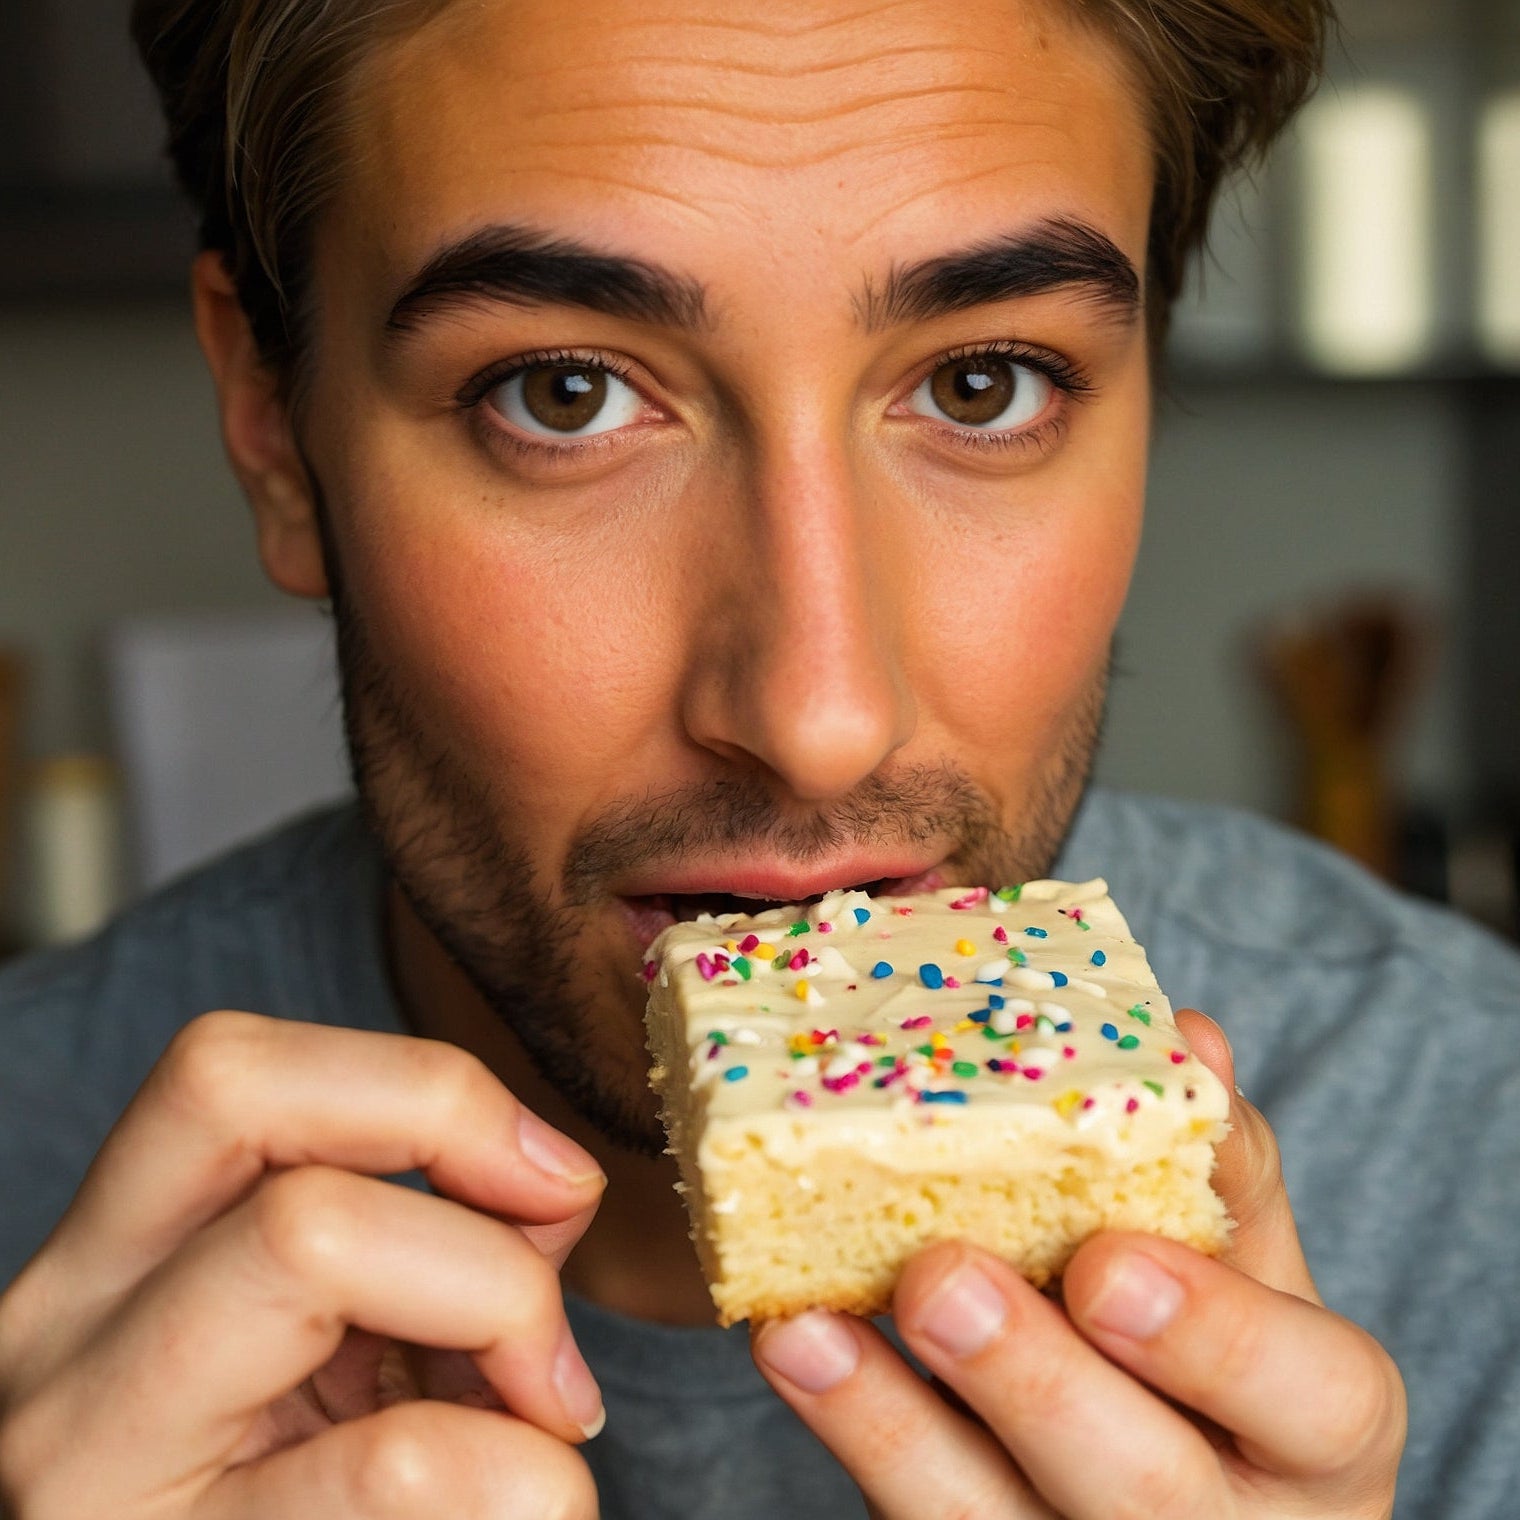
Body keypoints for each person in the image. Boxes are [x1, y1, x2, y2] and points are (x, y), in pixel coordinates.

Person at [1, 0, 1516, 1514]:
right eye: (564, 393)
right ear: (272, 428)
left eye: (984, 383)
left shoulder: (1480, 1157)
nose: (817, 717)